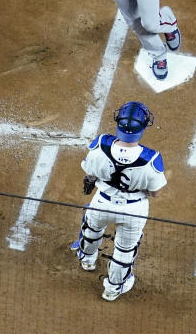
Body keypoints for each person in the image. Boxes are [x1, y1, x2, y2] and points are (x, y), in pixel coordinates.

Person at [71, 101, 167, 301]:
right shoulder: (152, 159)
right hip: (134, 210)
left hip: (102, 201)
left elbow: (90, 173)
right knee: (125, 250)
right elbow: (156, 193)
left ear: (118, 122)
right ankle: (113, 289)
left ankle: (87, 259)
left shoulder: (99, 145)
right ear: (142, 128)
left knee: (92, 228)